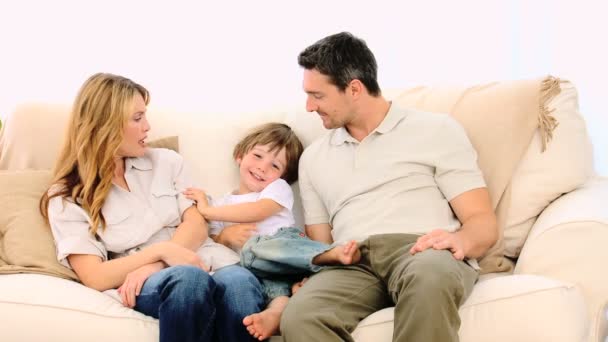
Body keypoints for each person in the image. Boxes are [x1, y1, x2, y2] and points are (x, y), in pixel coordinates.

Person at [279, 32, 499, 342]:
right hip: (353, 264)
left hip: (422, 251)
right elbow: (322, 245)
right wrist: (316, 270)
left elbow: (482, 221)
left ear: (354, 89)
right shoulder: (314, 158)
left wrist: (460, 240)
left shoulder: (436, 130)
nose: (309, 106)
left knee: (430, 277)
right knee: (301, 316)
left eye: (318, 95)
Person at [40, 73, 265, 342]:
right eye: (137, 118)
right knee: (187, 280)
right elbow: (95, 276)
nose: (148, 126)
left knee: (240, 285)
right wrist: (162, 253)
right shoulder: (67, 196)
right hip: (151, 282)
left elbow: (196, 224)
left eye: (145, 116)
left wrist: (158, 262)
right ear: (105, 125)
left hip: (205, 257)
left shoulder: (167, 162)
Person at [183, 122, 361, 341]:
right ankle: (275, 314)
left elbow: (258, 211)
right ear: (240, 155)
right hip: (260, 270)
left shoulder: (276, 189)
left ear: (284, 177)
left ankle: (326, 256)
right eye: (258, 156)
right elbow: (211, 243)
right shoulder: (223, 203)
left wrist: (207, 210)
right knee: (274, 289)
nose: (263, 167)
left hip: (284, 248)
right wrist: (224, 237)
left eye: (275, 166)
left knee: (256, 246)